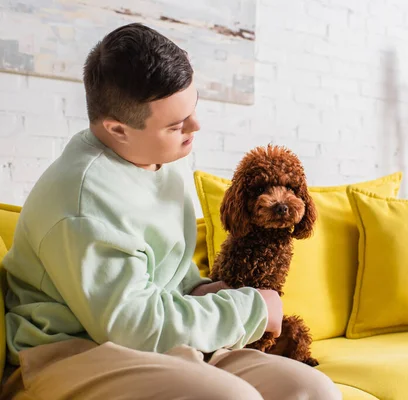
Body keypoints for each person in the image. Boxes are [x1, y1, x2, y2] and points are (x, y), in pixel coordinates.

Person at [0, 23, 341, 400]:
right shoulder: (81, 201)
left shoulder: (162, 155)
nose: (195, 127)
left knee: (310, 390)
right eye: (177, 124)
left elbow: (164, 270)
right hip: (71, 351)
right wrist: (252, 310)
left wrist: (201, 289)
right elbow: (134, 325)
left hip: (159, 336)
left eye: (192, 109)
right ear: (118, 129)